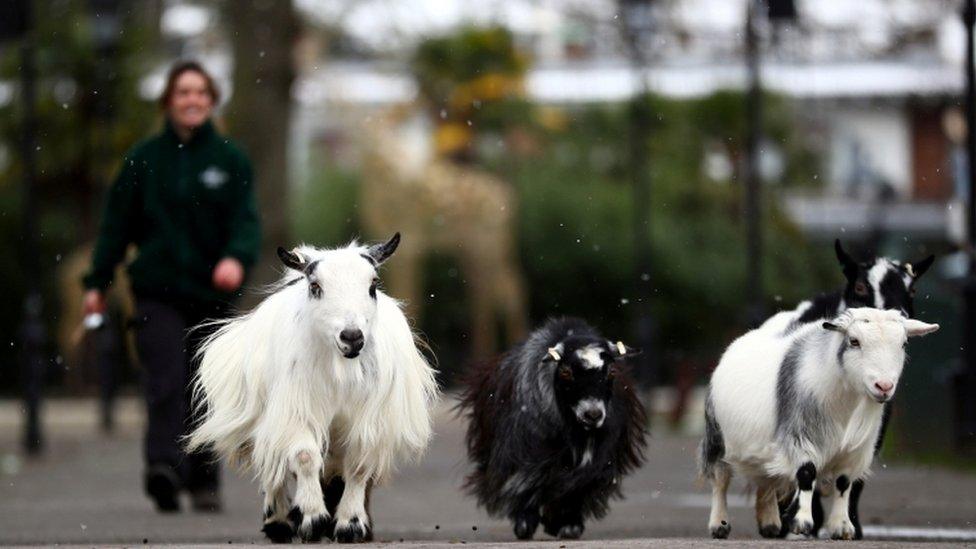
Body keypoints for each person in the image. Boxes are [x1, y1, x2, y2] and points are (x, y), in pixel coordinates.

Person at [81, 60, 260, 513]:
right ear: (169, 101)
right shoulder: (143, 160)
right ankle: (163, 467)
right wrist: (97, 282)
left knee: (205, 386)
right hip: (156, 292)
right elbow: (115, 228)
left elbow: (246, 223)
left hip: (211, 293)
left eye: (200, 92)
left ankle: (204, 479)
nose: (192, 100)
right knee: (165, 380)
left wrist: (235, 259)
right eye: (183, 92)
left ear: (211, 100)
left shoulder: (230, 160)